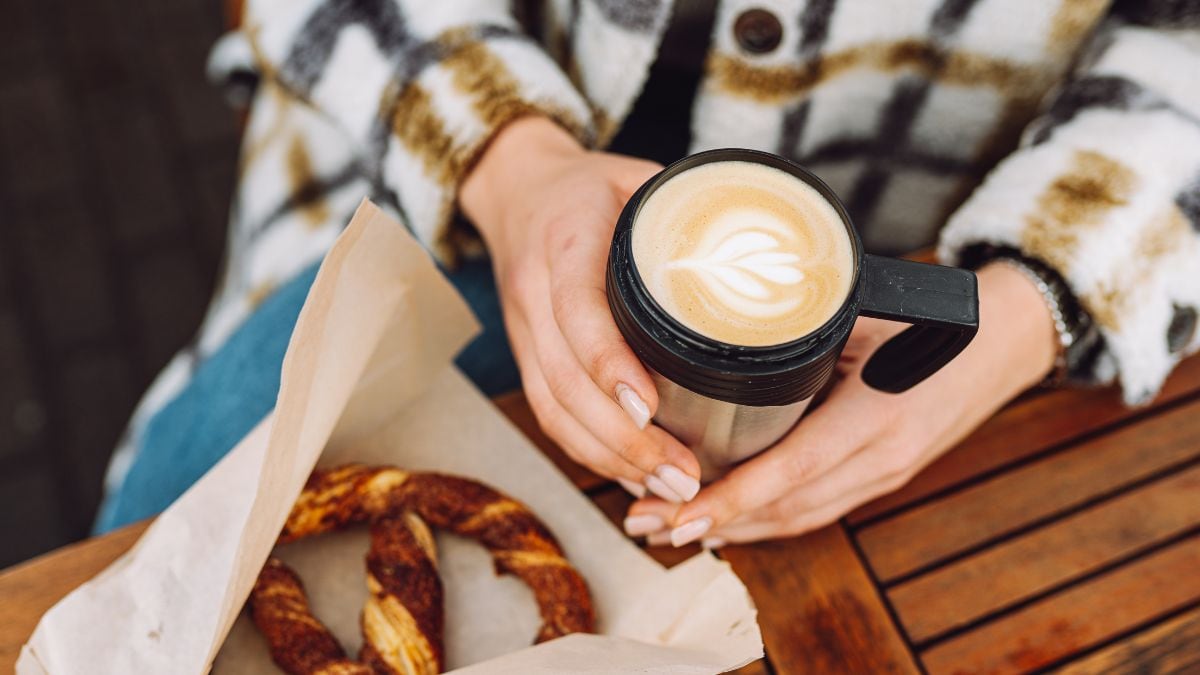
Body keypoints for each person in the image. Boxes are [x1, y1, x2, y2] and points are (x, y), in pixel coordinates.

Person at [97, 1, 1200, 550]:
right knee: (165, 513)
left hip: (922, 233)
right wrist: (503, 159)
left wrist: (1029, 303)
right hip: (446, 147)